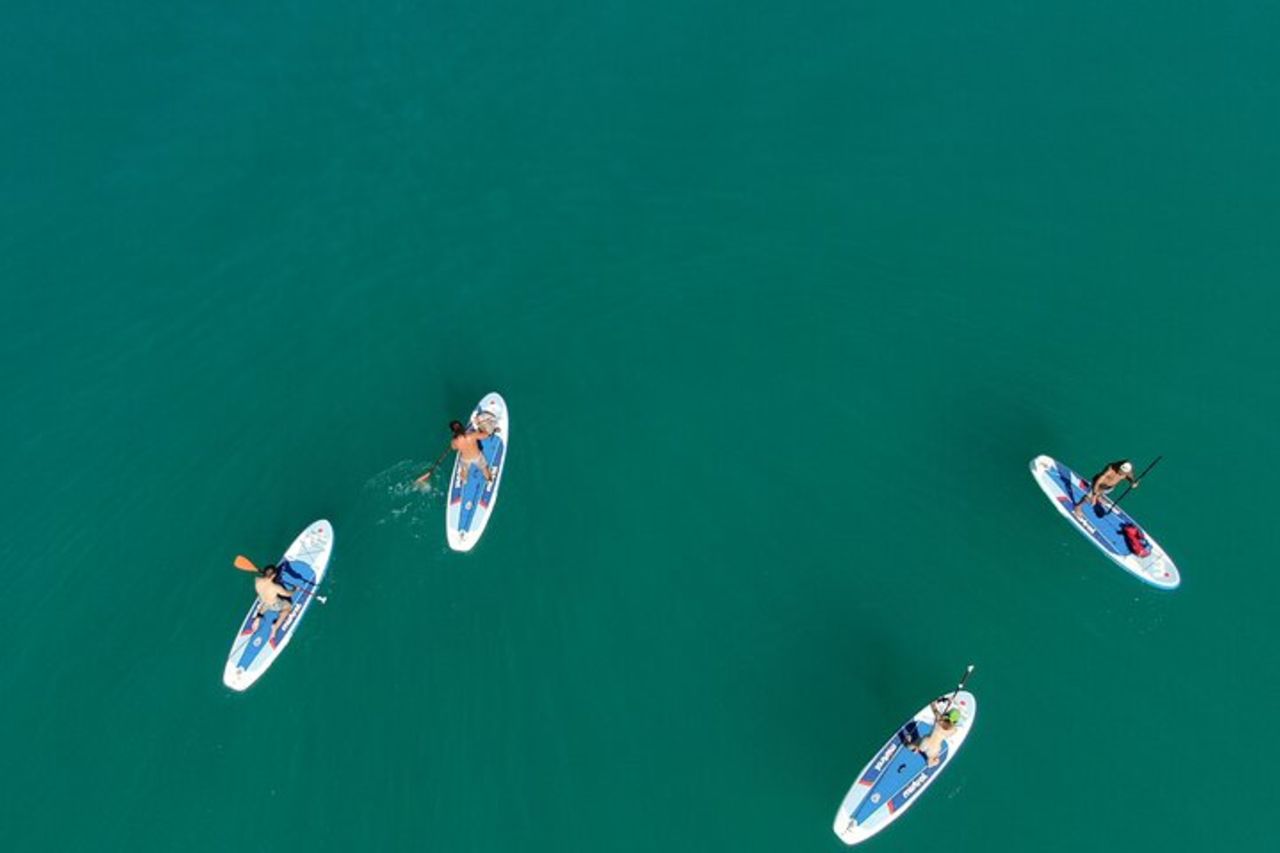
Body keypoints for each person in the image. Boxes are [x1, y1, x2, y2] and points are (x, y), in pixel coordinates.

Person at [1073, 459, 1138, 519]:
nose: (1122, 473)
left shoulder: (1127, 473)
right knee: (1090, 497)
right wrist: (1094, 494)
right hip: (1099, 485)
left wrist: (1132, 482)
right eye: (1121, 471)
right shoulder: (1110, 469)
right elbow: (1098, 481)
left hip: (1109, 488)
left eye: (1124, 473)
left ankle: (1099, 497)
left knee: (1101, 493)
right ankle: (1078, 507)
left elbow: (1130, 477)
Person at [249, 564, 295, 642]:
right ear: (273, 575)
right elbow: (288, 594)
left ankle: (257, 620)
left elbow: (265, 581)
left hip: (263, 600)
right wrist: (295, 589)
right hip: (274, 605)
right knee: (288, 607)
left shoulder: (257, 580)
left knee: (265, 602)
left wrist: (270, 578)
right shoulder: (276, 587)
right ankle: (274, 629)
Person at [909, 700, 961, 767]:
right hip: (934, 749)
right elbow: (950, 727)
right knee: (935, 760)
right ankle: (929, 763)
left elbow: (933, 706)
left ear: (947, 715)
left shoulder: (939, 719)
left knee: (915, 744)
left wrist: (942, 706)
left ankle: (912, 746)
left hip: (926, 741)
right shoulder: (954, 730)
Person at [451, 418, 494, 487]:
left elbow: (453, 448)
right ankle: (489, 480)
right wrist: (480, 428)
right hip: (477, 456)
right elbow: (485, 436)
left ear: (453, 432)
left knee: (464, 471)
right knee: (484, 468)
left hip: (465, 459)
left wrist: (454, 439)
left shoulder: (454, 441)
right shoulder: (471, 435)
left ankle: (464, 481)